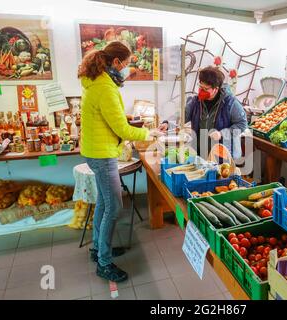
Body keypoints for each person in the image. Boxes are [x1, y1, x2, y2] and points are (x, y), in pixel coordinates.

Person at [78, 41, 161, 282]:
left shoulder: (95, 81)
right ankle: (104, 263)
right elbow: (123, 131)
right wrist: (149, 133)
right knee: (114, 207)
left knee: (104, 203)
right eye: (126, 64)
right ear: (115, 63)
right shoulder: (105, 86)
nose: (128, 69)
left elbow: (104, 115)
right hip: (102, 155)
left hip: (95, 150)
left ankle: (97, 249)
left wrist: (125, 118)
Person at [159, 66, 247, 158]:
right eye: (200, 87)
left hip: (224, 155)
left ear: (216, 89)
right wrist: (168, 123)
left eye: (206, 89)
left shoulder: (230, 103)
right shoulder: (195, 101)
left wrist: (221, 134)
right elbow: (182, 115)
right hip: (202, 153)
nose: (201, 91)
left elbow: (242, 124)